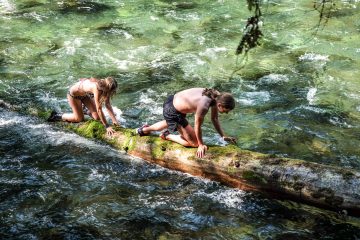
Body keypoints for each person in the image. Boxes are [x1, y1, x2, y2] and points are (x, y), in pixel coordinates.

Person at [137, 88, 237, 158]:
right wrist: (201, 144)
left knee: (170, 122)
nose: (227, 113)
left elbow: (214, 119)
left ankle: (144, 130)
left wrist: (223, 136)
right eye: (226, 110)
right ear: (219, 105)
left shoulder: (217, 95)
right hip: (173, 110)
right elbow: (197, 126)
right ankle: (167, 135)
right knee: (194, 143)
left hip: (172, 101)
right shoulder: (204, 106)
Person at [48, 77, 119, 136]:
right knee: (79, 119)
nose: (110, 93)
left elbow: (108, 104)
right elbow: (99, 109)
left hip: (84, 95)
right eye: (110, 91)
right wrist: (107, 126)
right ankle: (56, 116)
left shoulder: (104, 86)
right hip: (74, 96)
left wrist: (114, 121)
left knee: (97, 117)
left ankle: (85, 110)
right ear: (107, 87)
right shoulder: (97, 88)